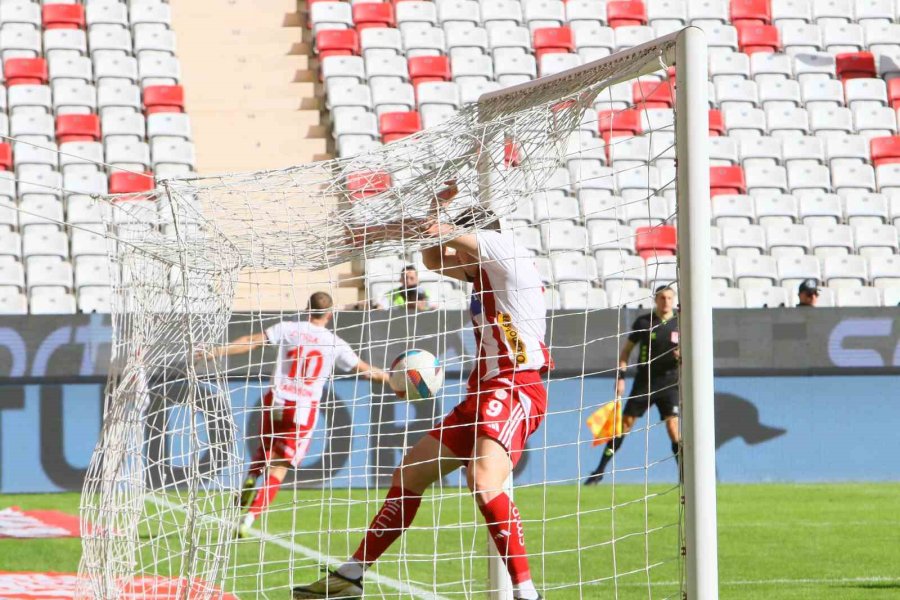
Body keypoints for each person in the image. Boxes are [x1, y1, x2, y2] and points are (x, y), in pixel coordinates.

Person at [293, 201, 551, 600]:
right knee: (410, 475)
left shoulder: (506, 251)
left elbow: (437, 237)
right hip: (482, 391)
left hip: (516, 385)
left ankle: (526, 592)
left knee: (483, 483)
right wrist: (434, 216)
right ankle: (350, 576)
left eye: (459, 247)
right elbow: (433, 258)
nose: (454, 258)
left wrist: (429, 211)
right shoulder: (481, 270)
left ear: (476, 238)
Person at [200, 292, 389, 537]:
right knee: (279, 467)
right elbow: (366, 371)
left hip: (275, 400)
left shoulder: (288, 328)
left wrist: (217, 351)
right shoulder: (335, 342)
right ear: (330, 314)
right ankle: (249, 518)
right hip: (302, 409)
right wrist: (394, 381)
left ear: (307, 309)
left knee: (266, 444)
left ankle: (251, 475)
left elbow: (252, 340)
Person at [585, 285, 681, 485]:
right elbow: (626, 352)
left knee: (673, 428)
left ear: (674, 300)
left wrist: (682, 357)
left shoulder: (681, 323)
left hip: (670, 382)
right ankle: (599, 471)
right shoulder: (644, 322)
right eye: (662, 298)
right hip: (644, 382)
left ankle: (683, 475)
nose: (666, 302)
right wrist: (621, 377)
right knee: (624, 427)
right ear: (656, 300)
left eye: (670, 298)